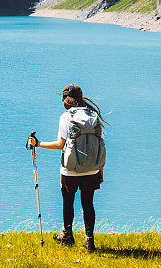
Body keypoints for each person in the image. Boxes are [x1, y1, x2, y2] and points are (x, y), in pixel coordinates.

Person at [27, 84, 107, 253]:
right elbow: (99, 145)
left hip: (70, 169)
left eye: (62, 98)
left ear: (66, 100)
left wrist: (38, 143)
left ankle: (67, 234)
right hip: (92, 168)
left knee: (68, 201)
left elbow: (60, 144)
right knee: (88, 203)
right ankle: (89, 240)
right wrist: (100, 170)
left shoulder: (66, 116)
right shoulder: (93, 115)